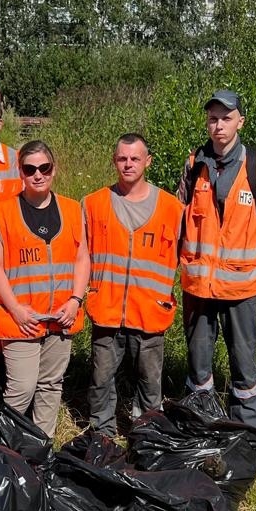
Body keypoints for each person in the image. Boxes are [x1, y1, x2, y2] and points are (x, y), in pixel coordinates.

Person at [177, 90, 256, 428]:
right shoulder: (195, 164)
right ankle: (200, 427)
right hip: (199, 286)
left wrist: (249, 267)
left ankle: (244, 435)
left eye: (226, 118)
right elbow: (180, 216)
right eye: (213, 118)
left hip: (242, 288)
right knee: (198, 367)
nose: (218, 125)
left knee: (244, 366)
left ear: (240, 121)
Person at [0, 141, 89, 439]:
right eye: (30, 169)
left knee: (50, 385)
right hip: (21, 318)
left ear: (54, 169)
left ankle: (41, 448)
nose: (38, 175)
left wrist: (75, 300)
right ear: (20, 172)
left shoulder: (71, 209)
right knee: (21, 389)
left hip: (61, 316)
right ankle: (6, 449)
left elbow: (82, 258)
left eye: (44, 168)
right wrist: (15, 309)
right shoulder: (2, 212)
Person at [82, 133, 185, 437]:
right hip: (107, 309)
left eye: (135, 158)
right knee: (101, 379)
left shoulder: (171, 208)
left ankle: (147, 435)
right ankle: (102, 434)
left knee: (149, 383)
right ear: (114, 160)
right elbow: (80, 256)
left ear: (147, 161)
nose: (128, 164)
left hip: (150, 312)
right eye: (122, 158)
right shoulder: (93, 204)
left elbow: (189, 257)